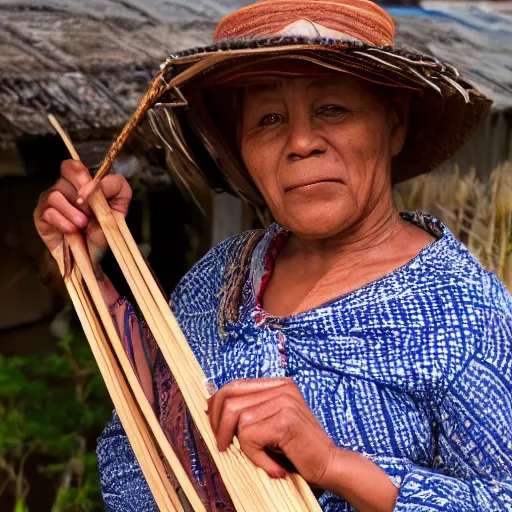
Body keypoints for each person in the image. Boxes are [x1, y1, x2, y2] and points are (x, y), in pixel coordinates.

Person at [34, 0, 512, 510]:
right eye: (269, 118)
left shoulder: (467, 316)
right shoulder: (220, 274)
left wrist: (332, 464)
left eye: (333, 108)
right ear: (240, 146)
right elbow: (154, 405)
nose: (302, 142)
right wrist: (82, 265)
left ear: (393, 125)